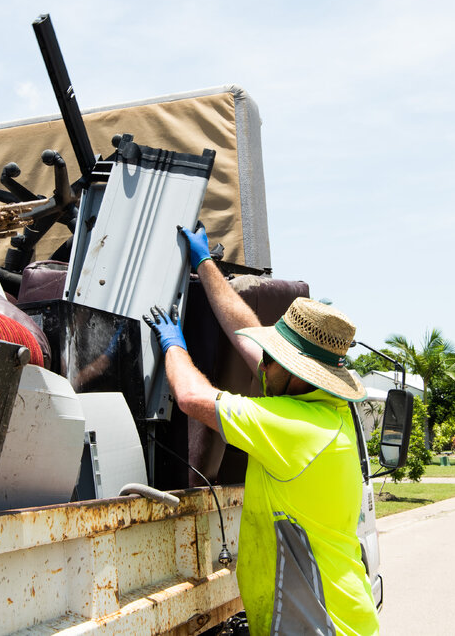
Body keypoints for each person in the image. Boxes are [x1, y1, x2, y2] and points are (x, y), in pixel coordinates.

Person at [144, 224, 379, 636]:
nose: (260, 364)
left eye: (272, 358)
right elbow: (244, 334)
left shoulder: (293, 428)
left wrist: (173, 345)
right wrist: (205, 264)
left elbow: (191, 399)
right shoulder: (327, 409)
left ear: (294, 372)